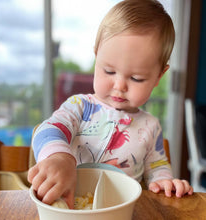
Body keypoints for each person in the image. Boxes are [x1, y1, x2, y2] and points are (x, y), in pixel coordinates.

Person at [28, 0, 193, 209]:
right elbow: (47, 130)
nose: (119, 85)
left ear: (159, 76)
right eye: (109, 71)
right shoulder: (79, 107)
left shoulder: (150, 126)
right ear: (97, 56)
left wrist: (164, 182)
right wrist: (60, 157)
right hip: (69, 207)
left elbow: (157, 166)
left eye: (136, 78)